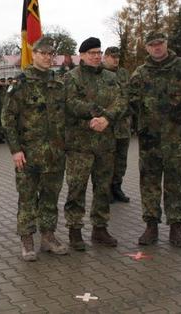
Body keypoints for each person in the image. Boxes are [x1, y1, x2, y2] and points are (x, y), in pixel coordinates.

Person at [129, 32, 181, 248]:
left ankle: (176, 228)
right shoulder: (140, 73)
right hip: (150, 141)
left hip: (177, 138)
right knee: (149, 184)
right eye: (152, 45)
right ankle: (151, 226)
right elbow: (130, 102)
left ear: (166, 44)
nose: (156, 48)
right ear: (146, 48)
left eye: (160, 43)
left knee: (175, 183)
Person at [2, 37, 68, 261]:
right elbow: (8, 119)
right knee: (27, 198)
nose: (48, 58)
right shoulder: (21, 83)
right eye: (44, 53)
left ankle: (48, 236)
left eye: (51, 54)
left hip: (55, 153)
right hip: (28, 154)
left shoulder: (59, 83)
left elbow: (68, 114)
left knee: (51, 197)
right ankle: (27, 239)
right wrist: (15, 150)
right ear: (34, 54)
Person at [64, 37, 127, 251]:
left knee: (102, 188)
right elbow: (70, 103)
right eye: (91, 53)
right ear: (81, 55)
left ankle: (100, 228)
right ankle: (74, 231)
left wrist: (107, 119)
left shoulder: (111, 77)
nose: (96, 56)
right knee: (76, 188)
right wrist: (94, 115)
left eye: (98, 52)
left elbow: (122, 100)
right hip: (80, 144)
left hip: (105, 142)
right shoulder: (71, 77)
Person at [103, 46, 132, 203]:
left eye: (117, 57)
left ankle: (117, 187)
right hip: (107, 125)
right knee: (107, 160)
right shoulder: (99, 73)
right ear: (105, 57)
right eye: (112, 56)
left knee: (121, 159)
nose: (115, 59)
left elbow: (130, 95)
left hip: (123, 125)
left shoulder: (123, 73)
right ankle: (105, 189)